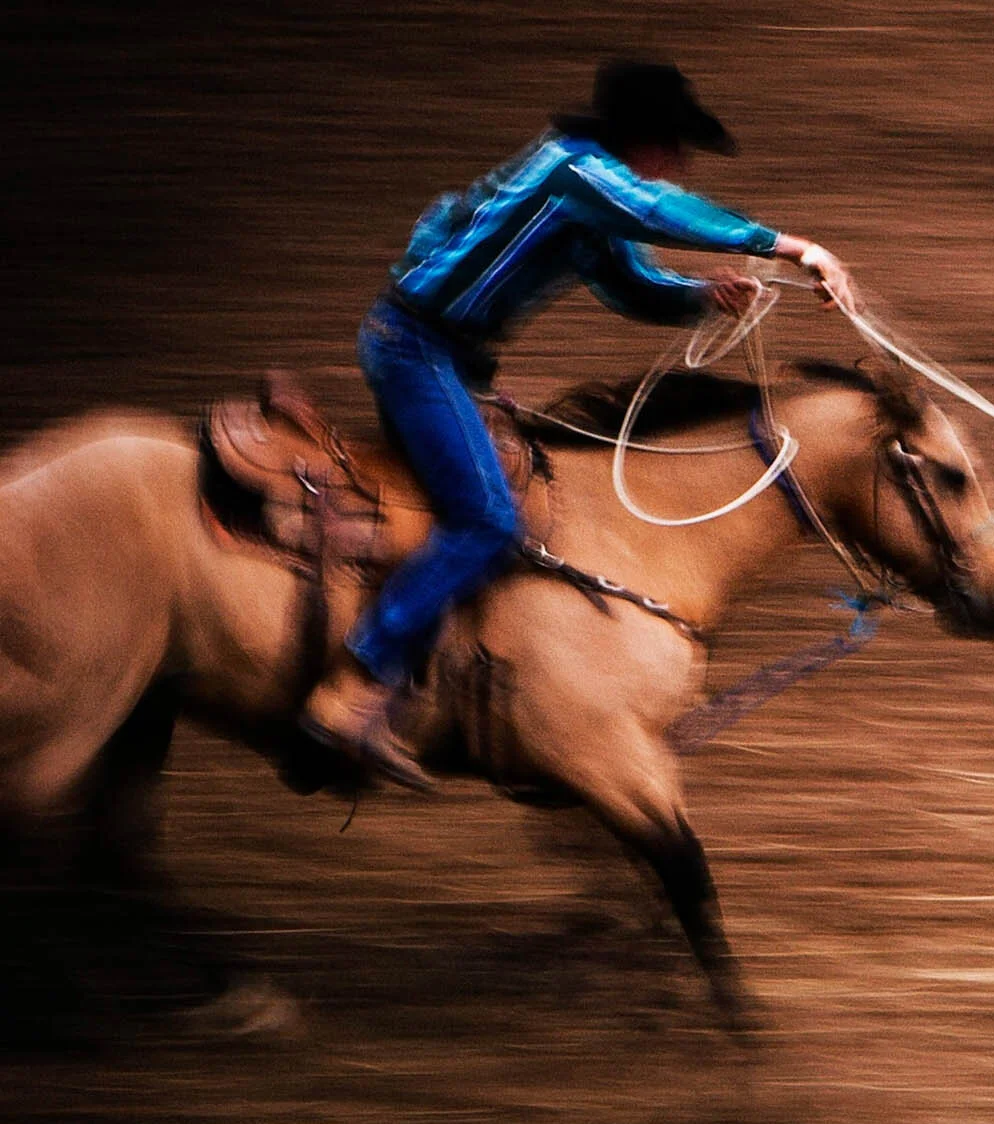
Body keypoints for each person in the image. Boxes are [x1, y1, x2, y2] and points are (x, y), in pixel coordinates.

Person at [300, 59, 855, 789]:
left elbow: (633, 284)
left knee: (495, 497)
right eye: (674, 147)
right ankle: (354, 686)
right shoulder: (575, 173)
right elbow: (655, 214)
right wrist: (788, 245)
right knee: (488, 521)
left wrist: (699, 295)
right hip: (417, 352)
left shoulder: (591, 197)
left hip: (443, 360)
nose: (679, 165)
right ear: (643, 140)